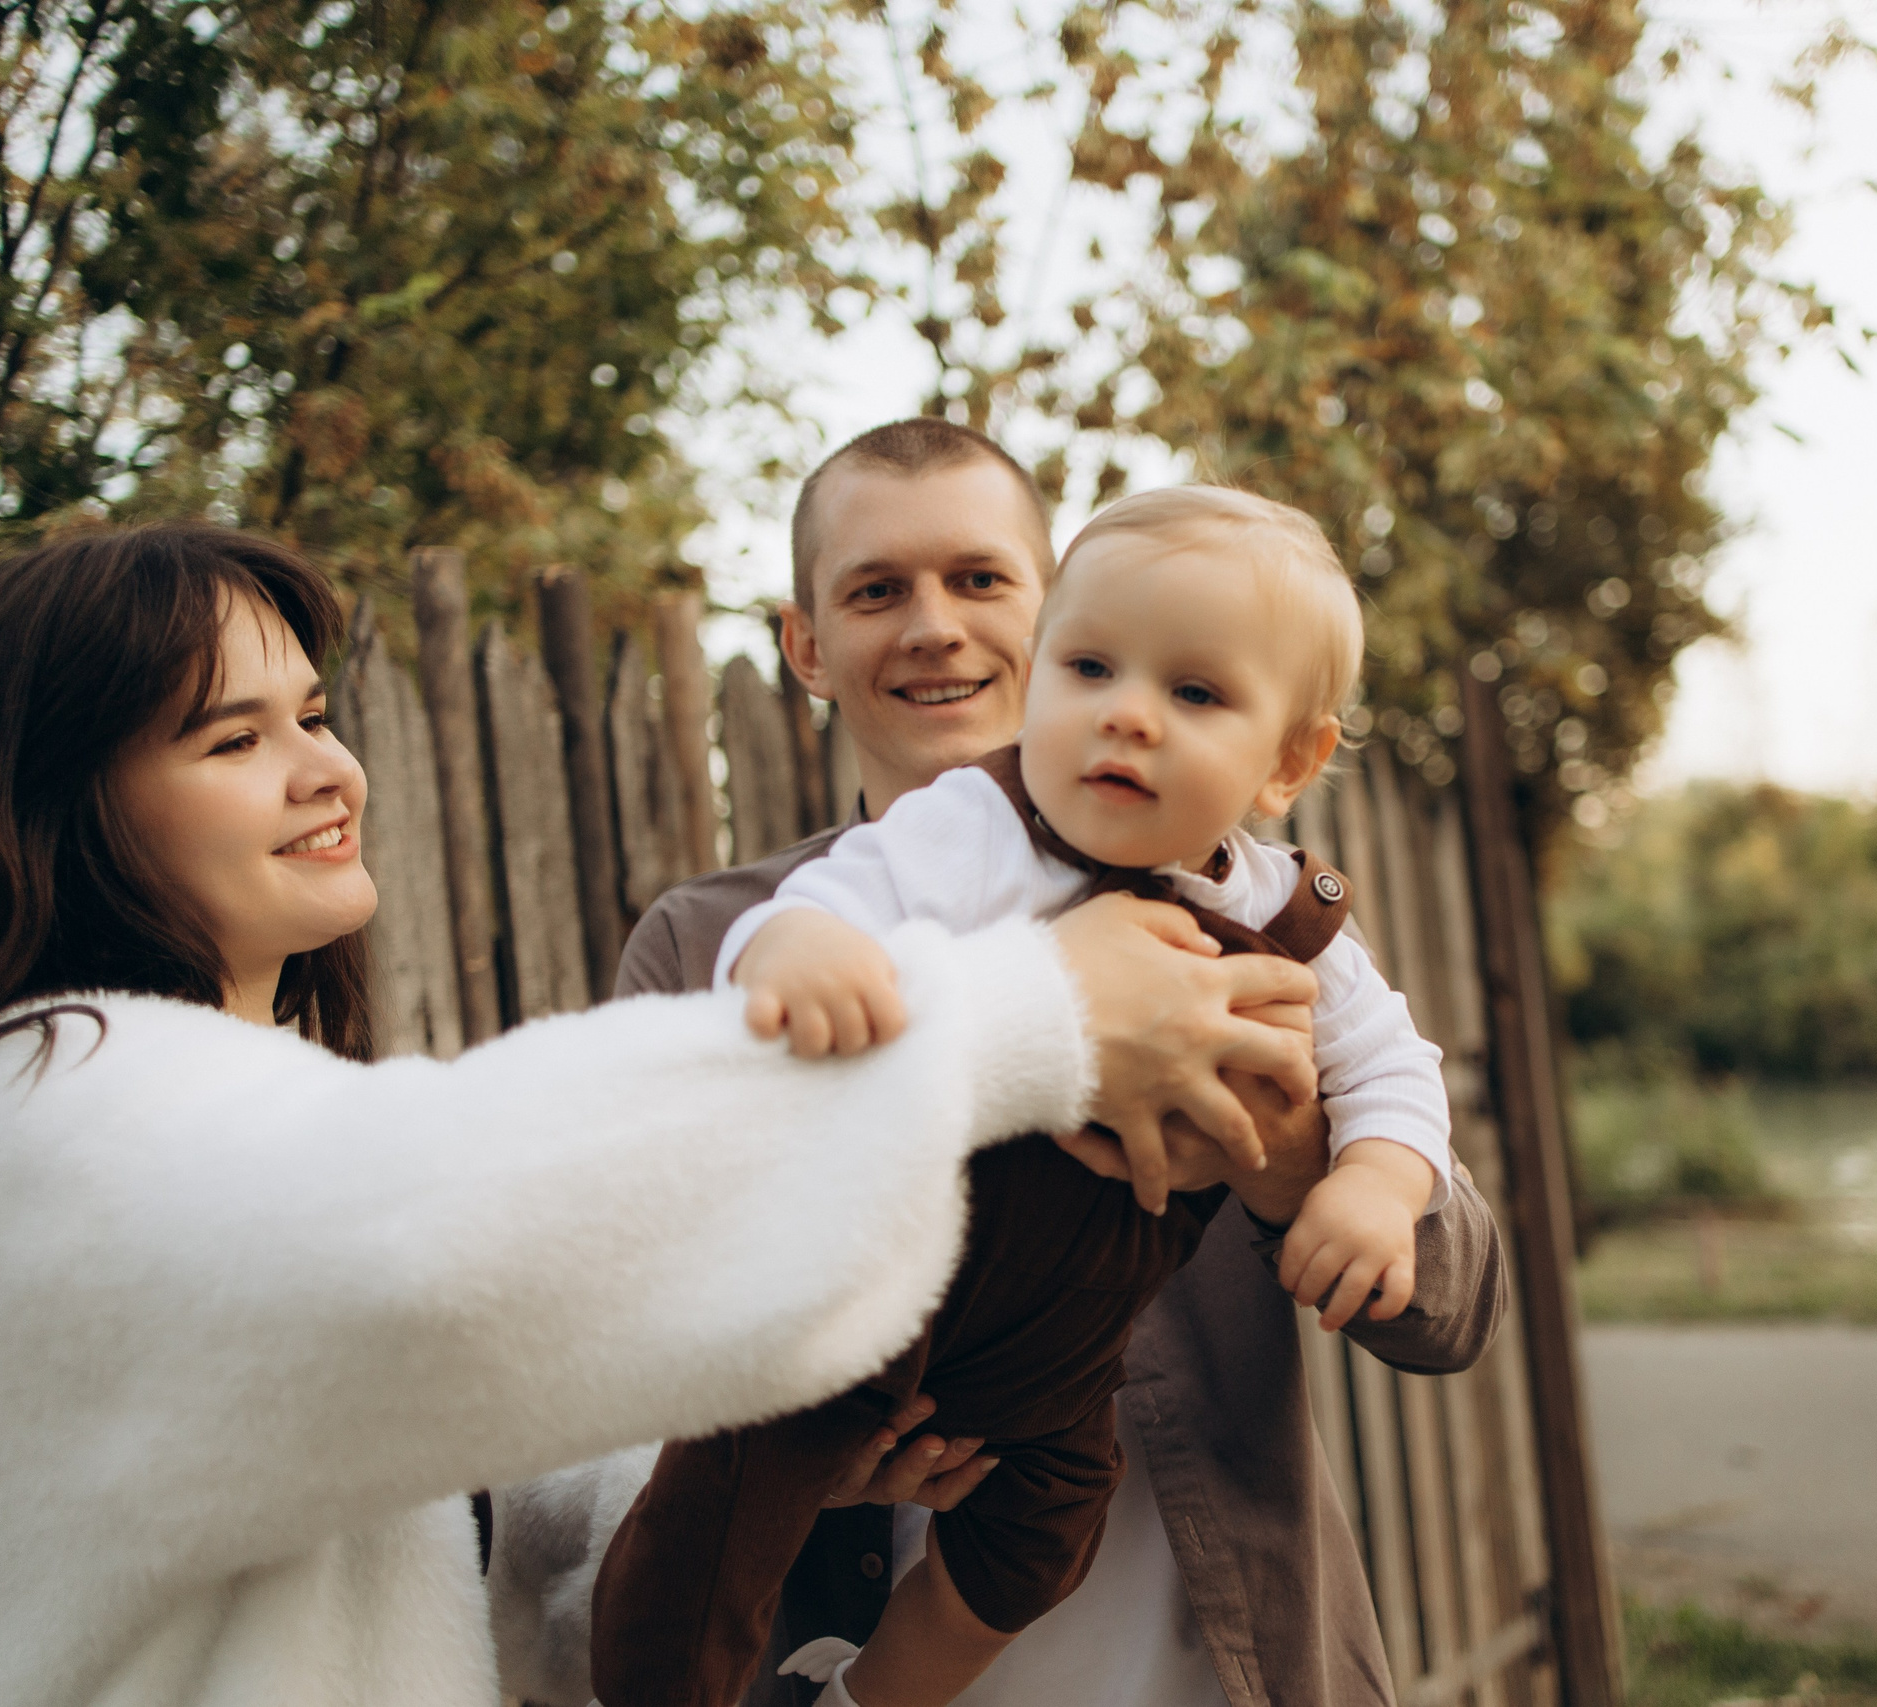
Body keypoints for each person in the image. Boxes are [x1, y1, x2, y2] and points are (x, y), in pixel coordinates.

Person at [0, 522, 1319, 1707]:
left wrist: (764, 1459)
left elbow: (483, 1562)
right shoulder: (41, 1110)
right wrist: (1029, 1016)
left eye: (317, 717)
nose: (328, 770)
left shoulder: (233, 1103)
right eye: (231, 739)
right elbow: (432, 1244)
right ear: (54, 808)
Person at [529, 419, 1507, 1707]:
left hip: (1210, 1662)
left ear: (1040, 609)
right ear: (807, 645)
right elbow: (641, 1324)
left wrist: (1289, 1161)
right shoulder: (708, 940)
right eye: (878, 590)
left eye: (981, 579)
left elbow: (1456, 1305)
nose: (934, 625)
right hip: (849, 1644)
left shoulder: (1264, 917)